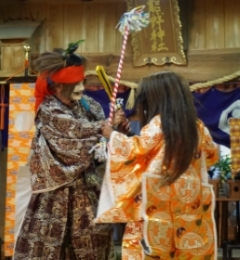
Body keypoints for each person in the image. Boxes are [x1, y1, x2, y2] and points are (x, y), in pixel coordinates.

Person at [97, 71, 219, 260]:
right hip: (190, 203)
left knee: (151, 249)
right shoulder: (197, 126)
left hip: (156, 202)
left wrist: (113, 135)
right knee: (188, 248)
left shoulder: (158, 123)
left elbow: (137, 151)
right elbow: (212, 156)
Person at [13, 46, 120, 260]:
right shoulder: (49, 110)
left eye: (82, 82)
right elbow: (73, 136)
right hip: (56, 195)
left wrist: (117, 130)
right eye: (75, 83)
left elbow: (103, 136)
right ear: (59, 86)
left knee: (93, 245)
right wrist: (105, 128)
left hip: (88, 191)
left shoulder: (88, 105)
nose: (81, 87)